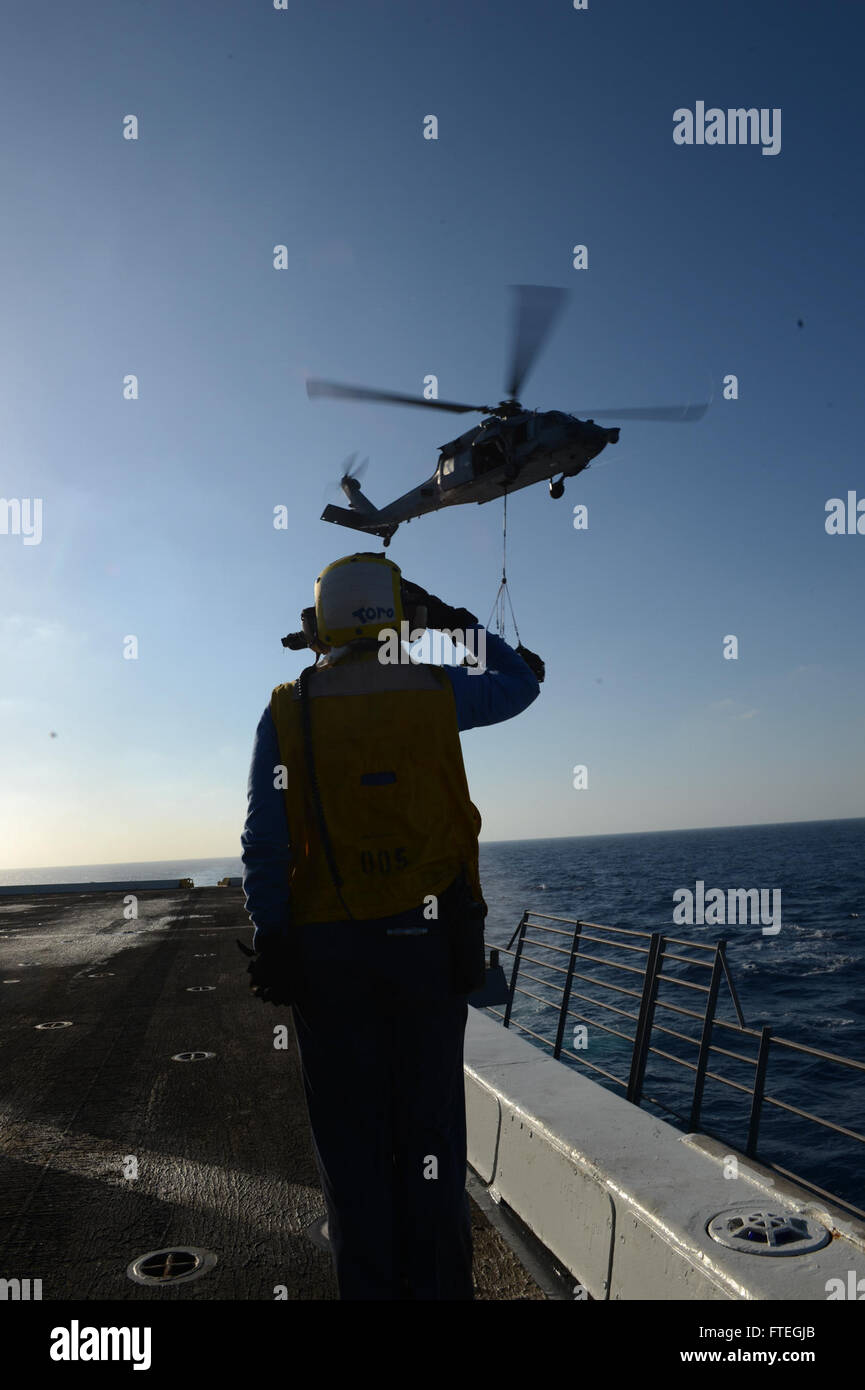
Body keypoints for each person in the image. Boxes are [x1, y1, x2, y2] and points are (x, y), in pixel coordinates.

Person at [240, 551, 543, 1300]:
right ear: (399, 618)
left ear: (323, 623)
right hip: (428, 945)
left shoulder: (287, 709)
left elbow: (264, 841)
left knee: (350, 1149)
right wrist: (455, 623)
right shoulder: (435, 692)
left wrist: (273, 937)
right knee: (432, 1137)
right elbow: (521, 681)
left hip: (327, 953)